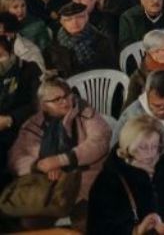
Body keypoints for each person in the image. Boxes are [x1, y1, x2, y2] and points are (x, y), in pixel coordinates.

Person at [7, 75, 111, 218]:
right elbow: (16, 157)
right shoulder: (33, 125)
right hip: (47, 187)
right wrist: (39, 166)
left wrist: (61, 160)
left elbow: (100, 141)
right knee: (30, 223)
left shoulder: (85, 113)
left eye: (66, 96)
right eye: (56, 100)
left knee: (85, 219)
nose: (64, 102)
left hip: (84, 181)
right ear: (43, 105)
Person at [88, 115, 164, 235]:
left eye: (154, 146)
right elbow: (98, 228)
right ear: (128, 148)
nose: (150, 154)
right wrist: (137, 230)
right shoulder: (109, 180)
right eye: (142, 148)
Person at [46, 0, 118, 77]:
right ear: (62, 22)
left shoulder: (102, 42)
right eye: (69, 20)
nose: (75, 22)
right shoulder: (54, 47)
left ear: (87, 17)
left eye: (80, 17)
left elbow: (111, 71)